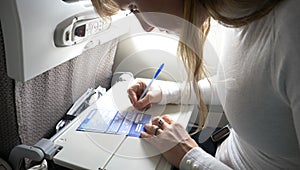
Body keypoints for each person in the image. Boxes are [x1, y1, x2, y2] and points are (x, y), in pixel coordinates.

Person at [91, 0, 300, 169]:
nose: (146, 26)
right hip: (220, 151)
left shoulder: (291, 29)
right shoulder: (238, 18)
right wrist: (165, 92)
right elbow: (247, 87)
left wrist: (190, 157)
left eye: (134, 7)